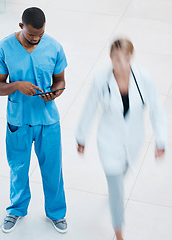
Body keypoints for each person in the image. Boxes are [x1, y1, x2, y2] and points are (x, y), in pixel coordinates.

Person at [76, 39, 167, 240]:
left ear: (131, 57)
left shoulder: (144, 78)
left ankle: (114, 186)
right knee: (116, 187)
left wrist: (161, 140)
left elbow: (156, 110)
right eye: (117, 59)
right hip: (108, 140)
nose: (122, 63)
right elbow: (90, 107)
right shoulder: (102, 79)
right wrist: (81, 136)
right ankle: (119, 234)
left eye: (126, 58)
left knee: (121, 173)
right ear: (111, 58)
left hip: (133, 141)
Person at [0, 7, 68, 233]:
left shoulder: (54, 47)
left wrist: (55, 92)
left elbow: (60, 80)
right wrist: (16, 85)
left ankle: (57, 213)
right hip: (19, 121)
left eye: (40, 35)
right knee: (18, 168)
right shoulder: (4, 48)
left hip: (48, 121)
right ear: (21, 26)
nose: (36, 39)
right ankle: (16, 209)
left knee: (53, 169)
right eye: (32, 35)